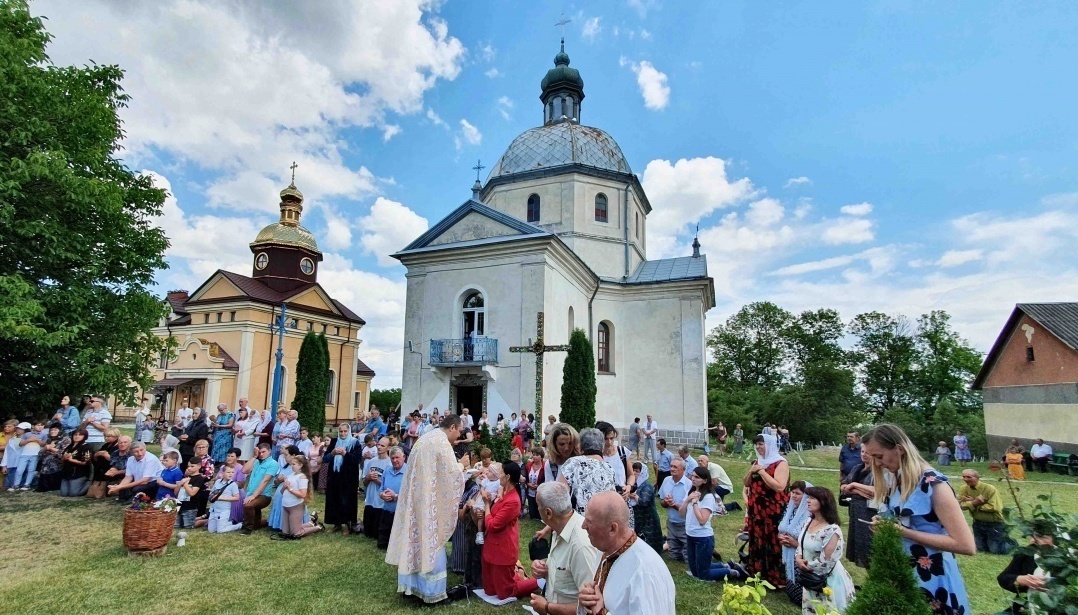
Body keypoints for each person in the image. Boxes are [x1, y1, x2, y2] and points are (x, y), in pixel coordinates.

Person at [863, 423, 974, 614]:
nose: (878, 463)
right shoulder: (899, 479)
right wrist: (887, 526)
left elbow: (966, 545)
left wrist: (904, 532)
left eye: (879, 456)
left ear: (899, 449)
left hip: (934, 580)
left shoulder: (934, 484)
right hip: (907, 575)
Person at [386, 414, 466, 605]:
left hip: (417, 500)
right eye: (460, 431)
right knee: (431, 541)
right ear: (453, 427)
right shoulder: (442, 443)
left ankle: (412, 587)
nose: (460, 435)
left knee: (415, 540)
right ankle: (432, 593)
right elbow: (451, 475)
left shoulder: (425, 438)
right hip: (430, 503)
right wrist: (463, 465)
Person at [578, 491, 676, 615]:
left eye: (589, 522)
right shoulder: (605, 551)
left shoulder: (644, 573)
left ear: (612, 529)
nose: (583, 526)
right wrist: (588, 600)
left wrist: (599, 612)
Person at [527, 482, 600, 615]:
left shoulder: (581, 546)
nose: (537, 509)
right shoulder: (558, 527)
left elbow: (591, 607)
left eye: (538, 506)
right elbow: (565, 572)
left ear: (548, 513)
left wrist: (547, 607)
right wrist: (544, 570)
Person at [478, 460, 539, 600]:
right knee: (490, 590)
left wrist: (487, 505)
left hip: (503, 549)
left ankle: (539, 582)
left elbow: (492, 524)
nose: (498, 476)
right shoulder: (504, 494)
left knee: (506, 592)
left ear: (508, 477)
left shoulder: (513, 501)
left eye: (501, 473)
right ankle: (519, 575)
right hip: (492, 546)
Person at [795, 486, 856, 613]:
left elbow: (826, 562)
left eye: (812, 498)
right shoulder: (808, 521)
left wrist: (806, 565)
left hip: (827, 581)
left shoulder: (832, 530)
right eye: (808, 498)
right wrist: (798, 558)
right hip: (810, 579)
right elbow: (801, 544)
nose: (808, 501)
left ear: (823, 502)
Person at [743, 433, 790, 586]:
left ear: (769, 445)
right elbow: (747, 483)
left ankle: (775, 576)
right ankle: (758, 572)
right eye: (756, 444)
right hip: (756, 509)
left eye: (761, 444)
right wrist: (752, 471)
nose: (758, 447)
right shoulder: (758, 461)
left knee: (772, 540)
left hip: (773, 509)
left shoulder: (780, 463)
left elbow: (779, 486)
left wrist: (762, 472)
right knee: (757, 538)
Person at [682, 466, 740, 581]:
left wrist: (694, 504)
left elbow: (702, 520)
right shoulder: (692, 492)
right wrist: (688, 500)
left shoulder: (708, 496)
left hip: (703, 538)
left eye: (697, 477)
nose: (693, 478)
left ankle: (733, 572)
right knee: (695, 571)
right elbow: (681, 513)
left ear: (705, 480)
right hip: (690, 535)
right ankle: (724, 565)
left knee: (703, 575)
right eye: (692, 476)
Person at [996, 520, 1055, 615]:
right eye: (1032, 536)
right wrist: (1020, 580)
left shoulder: (1066, 562)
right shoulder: (1025, 554)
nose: (1033, 540)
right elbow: (1003, 578)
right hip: (1023, 610)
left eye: (1042, 537)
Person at [559, 428, 619, 519]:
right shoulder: (609, 468)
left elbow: (560, 494)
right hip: (602, 522)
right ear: (602, 447)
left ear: (581, 447)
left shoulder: (572, 463)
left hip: (578, 522)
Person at [958, 469, 1012, 554]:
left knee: (996, 551)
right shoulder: (964, 489)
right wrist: (974, 502)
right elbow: (960, 506)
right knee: (981, 549)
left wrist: (973, 505)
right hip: (978, 523)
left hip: (994, 524)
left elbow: (995, 507)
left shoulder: (989, 489)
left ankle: (1011, 543)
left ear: (977, 478)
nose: (965, 479)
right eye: (963, 477)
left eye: (969, 477)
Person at [839, 447, 876, 569]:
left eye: (868, 452)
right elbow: (843, 486)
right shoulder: (857, 468)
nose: (864, 454)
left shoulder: (877, 471)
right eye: (862, 452)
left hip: (869, 513)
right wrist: (859, 491)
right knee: (860, 547)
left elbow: (874, 492)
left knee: (869, 548)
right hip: (855, 512)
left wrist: (853, 486)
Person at [323, 423, 362, 535]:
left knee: (346, 501)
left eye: (345, 431)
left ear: (348, 431)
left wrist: (345, 453)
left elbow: (357, 460)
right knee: (334, 500)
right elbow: (325, 459)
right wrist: (333, 453)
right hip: (335, 476)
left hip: (348, 478)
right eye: (341, 431)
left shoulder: (355, 443)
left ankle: (347, 524)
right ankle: (337, 523)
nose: (343, 433)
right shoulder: (334, 442)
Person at [277, 454, 321, 540]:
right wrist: (284, 486)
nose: (292, 466)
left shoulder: (302, 477)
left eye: (294, 464)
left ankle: (317, 527)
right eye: (291, 464)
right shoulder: (291, 475)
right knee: (285, 532)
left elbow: (302, 494)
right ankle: (309, 524)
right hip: (286, 505)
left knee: (296, 533)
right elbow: (282, 492)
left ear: (300, 465)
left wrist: (290, 489)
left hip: (295, 506)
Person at [779, 480, 813, 588]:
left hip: (804, 558)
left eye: (798, 493)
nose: (794, 496)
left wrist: (796, 544)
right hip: (788, 553)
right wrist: (781, 536)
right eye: (792, 492)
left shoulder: (811, 515)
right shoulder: (790, 510)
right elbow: (782, 528)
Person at [658, 457, 691, 561]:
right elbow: (662, 502)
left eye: (675, 467)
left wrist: (674, 505)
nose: (672, 469)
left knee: (687, 558)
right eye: (671, 466)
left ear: (683, 470)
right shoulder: (666, 480)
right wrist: (666, 502)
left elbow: (688, 510)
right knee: (674, 556)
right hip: (671, 523)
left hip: (684, 524)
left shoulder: (689, 485)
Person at [241, 443, 279, 534]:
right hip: (251, 492)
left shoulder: (273, 463)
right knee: (256, 523)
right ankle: (265, 522)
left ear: (269, 451)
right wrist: (254, 456)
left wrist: (254, 496)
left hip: (264, 495)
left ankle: (247, 529)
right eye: (260, 452)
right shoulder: (256, 461)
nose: (261, 454)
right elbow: (244, 470)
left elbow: (265, 481)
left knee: (248, 505)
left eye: (263, 452)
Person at [627, 462, 663, 554]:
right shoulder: (633, 485)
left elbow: (644, 502)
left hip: (648, 520)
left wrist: (635, 497)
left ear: (642, 473)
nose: (635, 473)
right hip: (638, 519)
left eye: (637, 471)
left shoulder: (647, 486)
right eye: (633, 471)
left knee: (649, 542)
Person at [450, 473, 481, 576]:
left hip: (466, 523)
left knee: (464, 545)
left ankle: (463, 568)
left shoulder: (474, 489)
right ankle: (456, 565)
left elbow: (468, 506)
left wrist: (462, 507)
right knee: (457, 544)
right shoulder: (460, 488)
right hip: (457, 522)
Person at [377, 446, 407, 549]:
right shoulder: (387, 471)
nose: (395, 460)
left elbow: (411, 496)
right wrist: (382, 495)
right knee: (381, 545)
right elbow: (381, 489)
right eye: (392, 458)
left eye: (397, 457)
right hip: (386, 511)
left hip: (401, 513)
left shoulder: (409, 472)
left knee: (399, 546)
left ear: (404, 457)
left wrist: (395, 496)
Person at [362, 436, 391, 539]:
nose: (379, 447)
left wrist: (377, 480)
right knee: (367, 533)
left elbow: (389, 486)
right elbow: (364, 483)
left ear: (388, 448)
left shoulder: (389, 464)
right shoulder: (371, 462)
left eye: (382, 445)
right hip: (370, 501)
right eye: (378, 444)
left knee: (376, 534)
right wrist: (368, 478)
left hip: (380, 504)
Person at [597, 422, 634, 496]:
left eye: (611, 438)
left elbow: (631, 475)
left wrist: (628, 486)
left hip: (621, 495)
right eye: (606, 439)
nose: (609, 442)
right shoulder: (597, 456)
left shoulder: (622, 452)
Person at [207, 464, 243, 533]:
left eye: (232, 472)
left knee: (220, 530)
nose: (231, 474)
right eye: (228, 472)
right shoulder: (217, 482)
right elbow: (212, 492)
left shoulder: (233, 484)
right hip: (214, 509)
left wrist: (223, 498)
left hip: (223, 510)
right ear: (222, 473)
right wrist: (212, 496)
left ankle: (239, 525)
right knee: (211, 530)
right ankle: (228, 523)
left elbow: (237, 498)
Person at [36, 423, 70, 492]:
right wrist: (45, 448)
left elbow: (65, 453)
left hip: (58, 464)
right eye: (51, 430)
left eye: (55, 430)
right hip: (45, 464)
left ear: (60, 431)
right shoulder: (49, 440)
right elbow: (39, 454)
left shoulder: (66, 440)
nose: (52, 431)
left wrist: (52, 449)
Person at [175, 457, 208, 529]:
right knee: (177, 525)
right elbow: (176, 493)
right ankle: (197, 519)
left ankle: (203, 521)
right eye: (188, 466)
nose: (189, 468)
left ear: (199, 466)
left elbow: (192, 493)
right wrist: (179, 484)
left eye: (192, 466)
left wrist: (185, 484)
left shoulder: (199, 478)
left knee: (188, 526)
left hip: (191, 506)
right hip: (180, 504)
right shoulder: (186, 477)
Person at [59, 429, 92, 497]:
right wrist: (64, 458)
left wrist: (71, 460)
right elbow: (61, 460)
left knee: (73, 494)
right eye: (75, 435)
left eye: (80, 435)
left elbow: (85, 463)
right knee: (64, 494)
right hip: (67, 472)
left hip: (79, 473)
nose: (77, 436)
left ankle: (89, 484)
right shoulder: (69, 447)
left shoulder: (86, 447)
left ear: (84, 436)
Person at [524, 447, 547, 520]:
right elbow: (525, 477)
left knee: (539, 512)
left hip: (540, 491)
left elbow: (546, 479)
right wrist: (528, 484)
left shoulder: (545, 466)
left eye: (537, 455)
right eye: (533, 454)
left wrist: (539, 486)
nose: (535, 457)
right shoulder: (528, 465)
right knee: (532, 514)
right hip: (530, 491)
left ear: (541, 456)